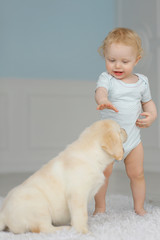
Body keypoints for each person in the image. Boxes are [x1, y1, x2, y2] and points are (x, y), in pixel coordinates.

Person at [94, 27, 157, 216]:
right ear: (105, 57)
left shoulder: (142, 82)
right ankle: (100, 208)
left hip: (133, 140)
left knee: (137, 174)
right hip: (109, 140)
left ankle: (139, 208)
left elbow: (148, 103)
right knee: (102, 174)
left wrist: (152, 115)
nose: (117, 66)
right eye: (111, 60)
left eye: (124, 61)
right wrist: (103, 100)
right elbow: (100, 92)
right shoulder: (107, 79)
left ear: (136, 60)